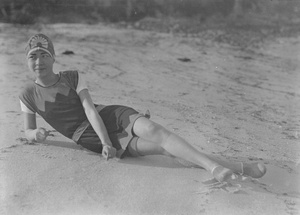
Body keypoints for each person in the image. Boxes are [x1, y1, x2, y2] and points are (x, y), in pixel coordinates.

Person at [19, 33, 267, 183]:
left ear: (53, 57)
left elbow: (90, 110)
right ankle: (240, 168)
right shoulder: (27, 94)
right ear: (27, 61)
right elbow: (27, 131)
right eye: (33, 56)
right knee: (162, 149)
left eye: (44, 55)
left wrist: (107, 142)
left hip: (108, 115)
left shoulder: (72, 76)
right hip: (87, 137)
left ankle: (216, 168)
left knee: (156, 130)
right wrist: (35, 135)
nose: (39, 61)